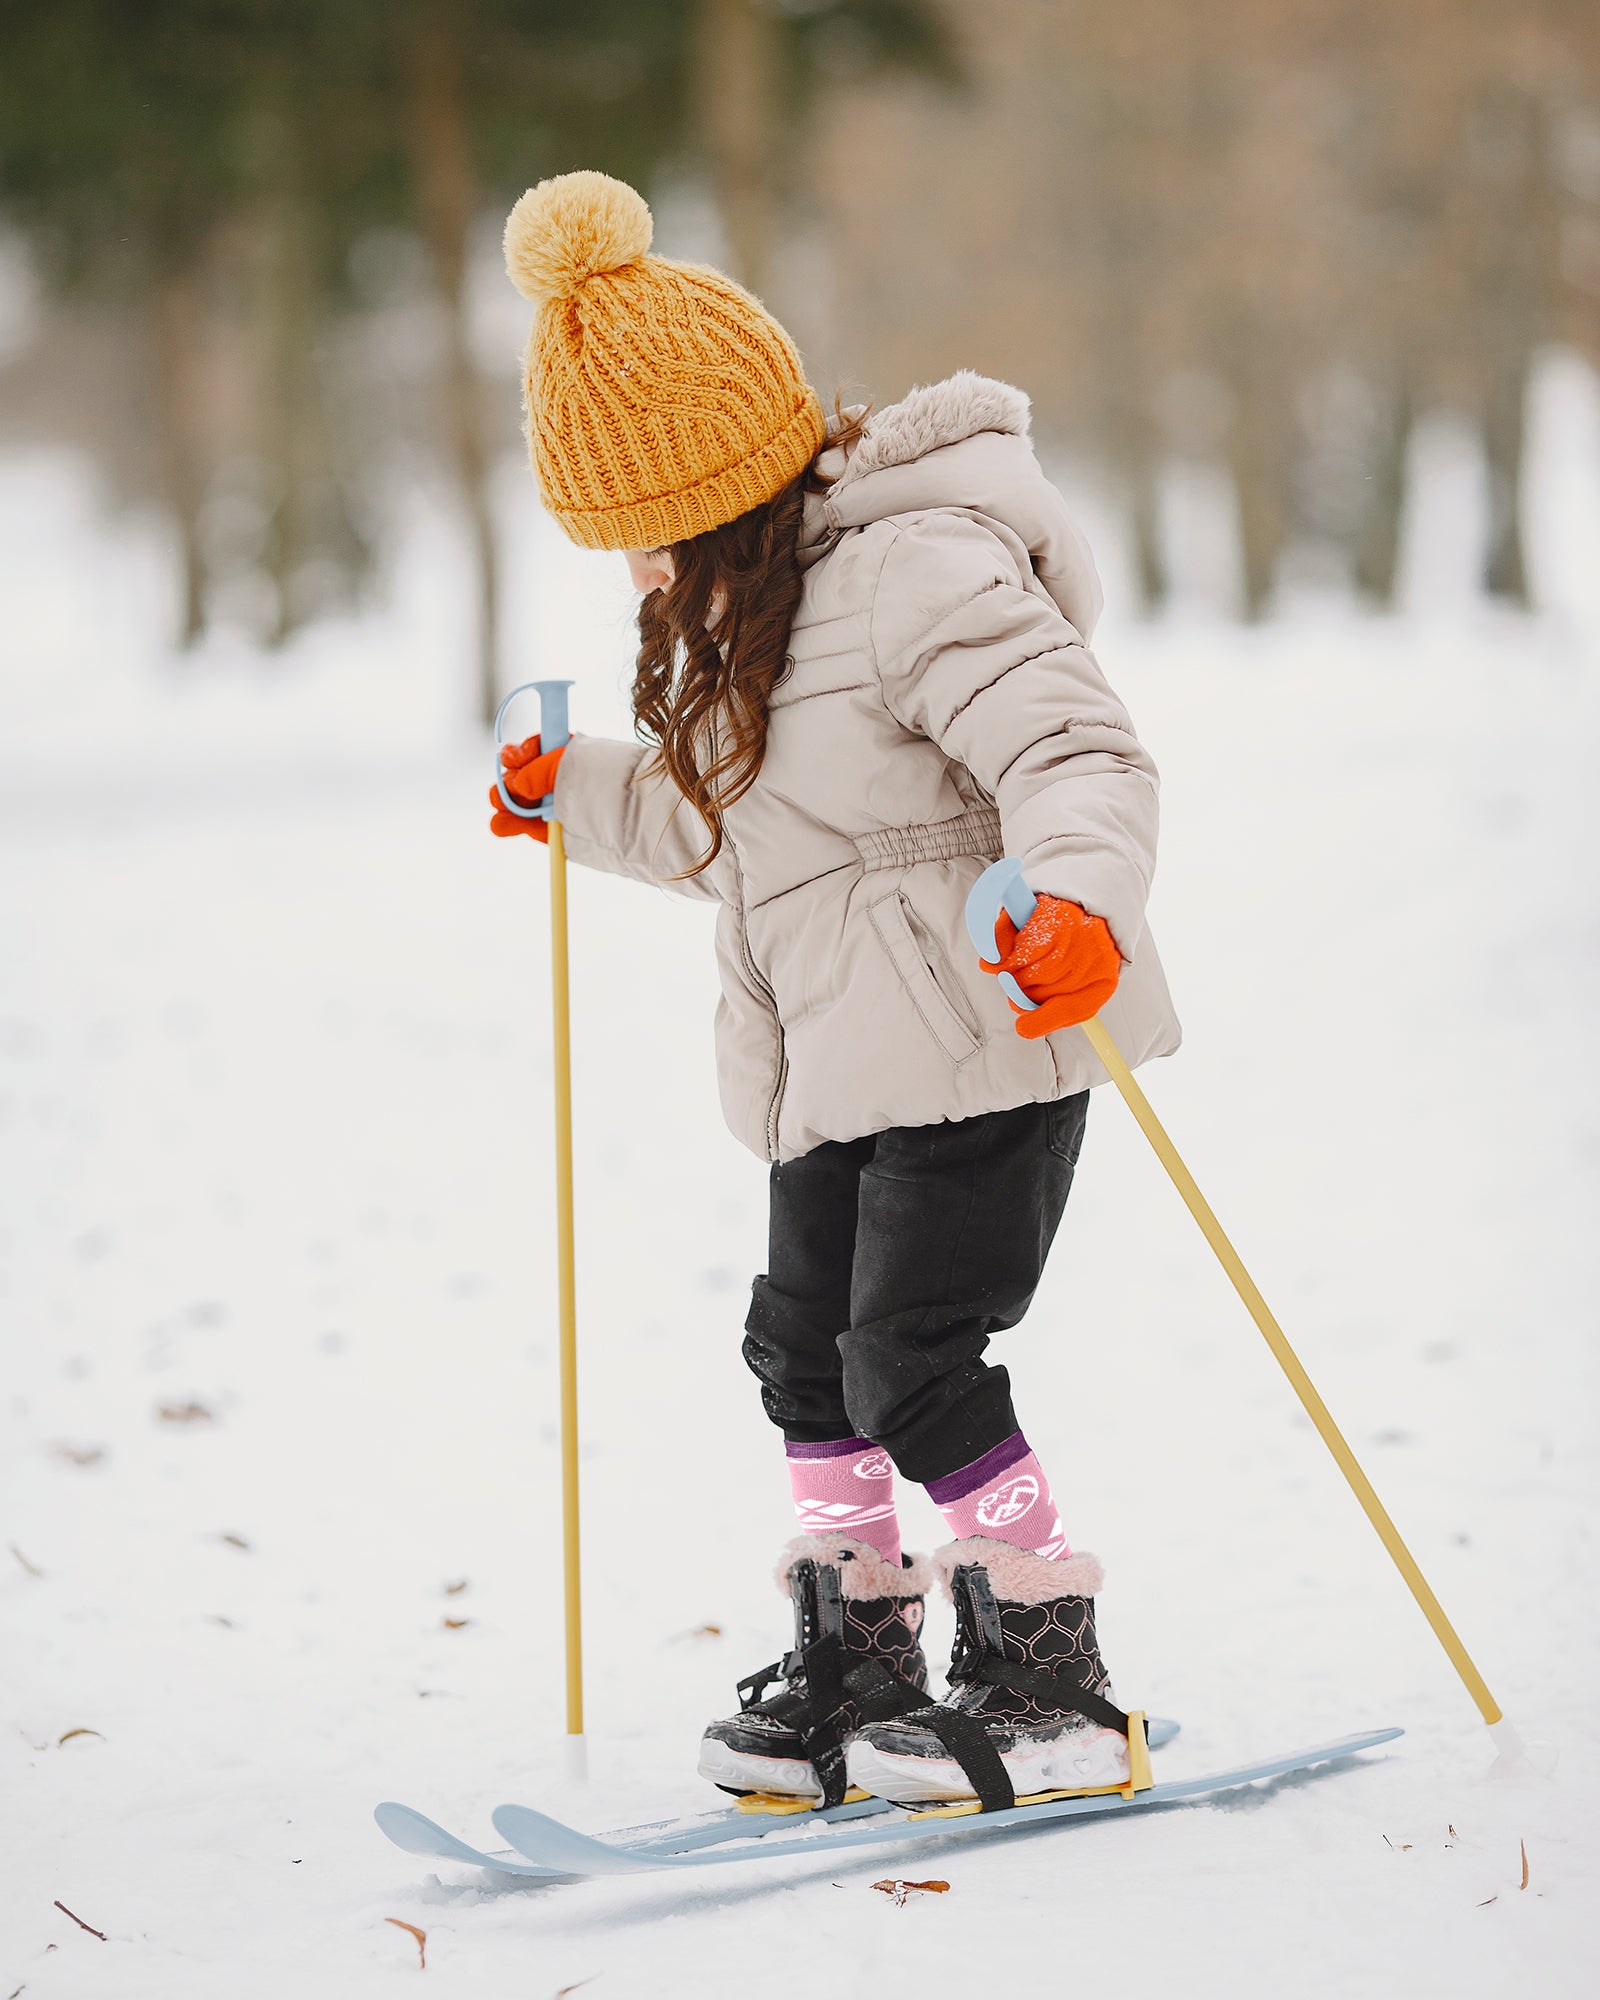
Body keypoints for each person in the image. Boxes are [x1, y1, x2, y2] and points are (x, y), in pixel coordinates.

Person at [491, 171, 1180, 1811]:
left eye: (650, 538)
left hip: (987, 1037)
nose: (644, 578)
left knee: (911, 1359)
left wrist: (1079, 905)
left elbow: (1070, 746)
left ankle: (1046, 1669)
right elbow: (707, 826)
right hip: (826, 1072)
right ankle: (857, 1656)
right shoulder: (749, 627)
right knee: (802, 1353)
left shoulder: (915, 574)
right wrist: (567, 787)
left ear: (719, 493)